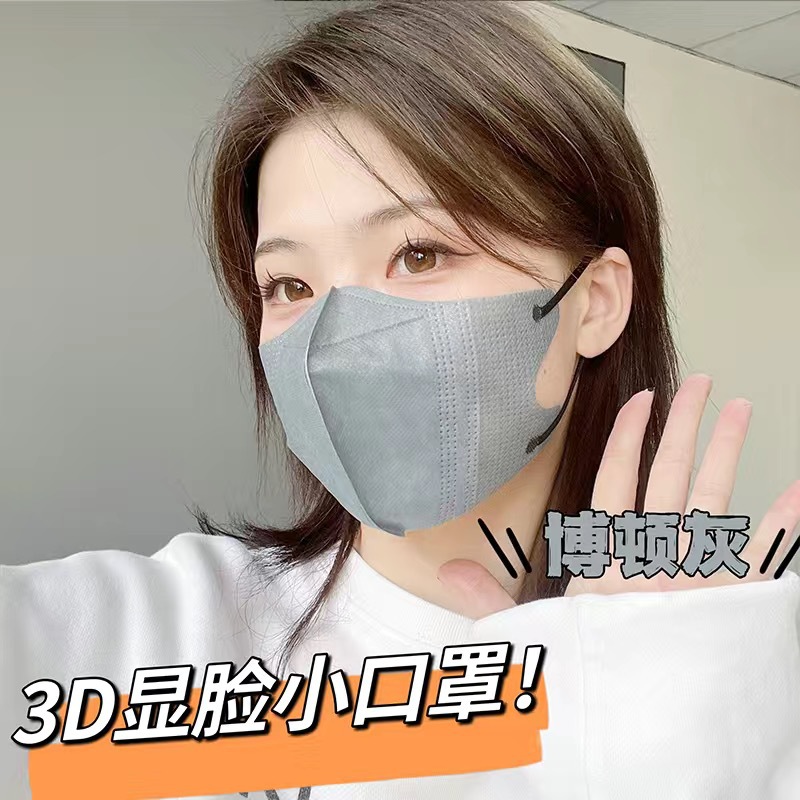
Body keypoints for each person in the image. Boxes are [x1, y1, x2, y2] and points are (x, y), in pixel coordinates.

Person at [2, 2, 799, 798]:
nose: (337, 345)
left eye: (419, 254)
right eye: (290, 285)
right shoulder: (139, 654)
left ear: (594, 302)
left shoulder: (737, 661)